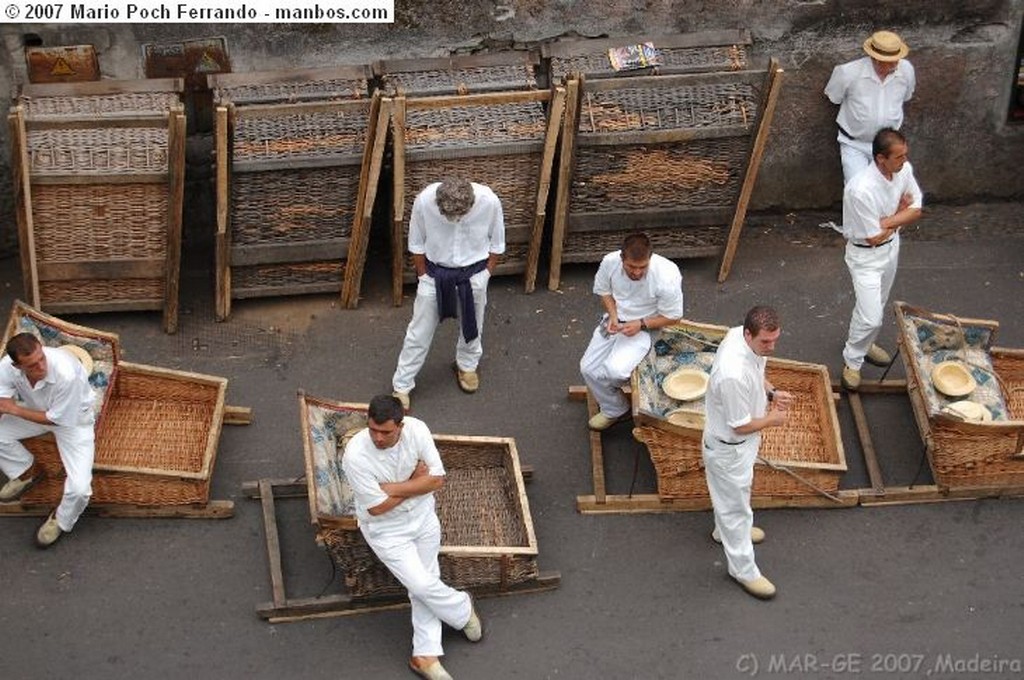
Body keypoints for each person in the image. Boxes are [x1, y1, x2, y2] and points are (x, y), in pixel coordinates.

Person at [341, 395, 482, 680]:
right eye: (372, 430)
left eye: (385, 432)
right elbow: (376, 508)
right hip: (387, 531)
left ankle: (424, 657)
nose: (378, 437)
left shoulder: (417, 430)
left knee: (425, 582)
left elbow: (438, 479)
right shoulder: (355, 456)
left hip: (423, 518)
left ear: (401, 426)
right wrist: (416, 483)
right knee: (420, 582)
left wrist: (393, 488)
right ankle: (462, 608)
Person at [702, 306, 792, 600]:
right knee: (737, 511)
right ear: (748, 333)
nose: (771, 347)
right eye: (766, 342)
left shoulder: (738, 338)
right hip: (730, 448)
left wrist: (772, 393)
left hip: (741, 445)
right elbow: (740, 426)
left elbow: (758, 372)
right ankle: (743, 570)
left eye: (775, 339)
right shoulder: (732, 374)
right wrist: (772, 420)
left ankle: (721, 531)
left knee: (732, 499)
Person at [391, 178, 505, 410]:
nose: (454, 221)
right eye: (448, 218)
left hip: (473, 273)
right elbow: (416, 243)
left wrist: (485, 275)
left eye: (460, 217)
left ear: (472, 204)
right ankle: (402, 385)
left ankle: (467, 365)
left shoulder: (490, 201)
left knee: (473, 325)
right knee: (418, 331)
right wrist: (423, 276)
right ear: (438, 204)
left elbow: (497, 242)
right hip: (435, 274)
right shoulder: (424, 200)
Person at [840, 127, 923, 390]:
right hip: (865, 257)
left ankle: (866, 345)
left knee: (879, 302)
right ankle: (852, 362)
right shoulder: (860, 189)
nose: (905, 161)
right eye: (899, 157)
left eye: (905, 155)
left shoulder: (904, 171)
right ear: (880, 159)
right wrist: (900, 214)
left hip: (891, 248)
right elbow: (872, 237)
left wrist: (890, 219)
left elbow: (916, 208)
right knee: (870, 315)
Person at [579, 232, 684, 431]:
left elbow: (674, 317)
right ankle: (615, 408)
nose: (637, 272)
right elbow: (604, 291)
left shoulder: (667, 275)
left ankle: (611, 392)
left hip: (646, 327)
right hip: (616, 321)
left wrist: (641, 324)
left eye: (642, 267)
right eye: (631, 267)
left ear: (650, 259)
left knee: (614, 371)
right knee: (588, 368)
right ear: (622, 259)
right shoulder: (610, 262)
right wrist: (612, 315)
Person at [0, 333, 96, 548]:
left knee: (80, 489)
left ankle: (61, 520)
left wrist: (13, 409)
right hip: (36, 412)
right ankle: (26, 472)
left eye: (42, 358)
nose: (41, 367)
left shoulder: (66, 373)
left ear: (41, 348)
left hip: (73, 423)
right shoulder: (7, 366)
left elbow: (56, 420)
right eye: (32, 365)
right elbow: (2, 397)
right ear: (17, 366)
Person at [825, 30, 915, 184]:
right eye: (890, 61)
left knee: (892, 189)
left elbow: (907, 96)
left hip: (888, 145)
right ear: (876, 59)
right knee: (857, 190)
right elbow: (834, 97)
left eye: (897, 59)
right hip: (854, 143)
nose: (895, 64)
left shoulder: (906, 70)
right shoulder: (847, 73)